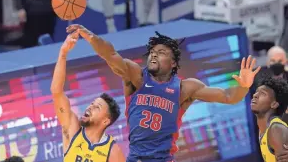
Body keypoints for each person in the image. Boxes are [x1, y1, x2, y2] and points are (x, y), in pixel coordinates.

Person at [66, 25, 260, 162]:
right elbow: (109, 54)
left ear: (174, 63)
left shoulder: (185, 88)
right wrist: (91, 36)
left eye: (162, 52)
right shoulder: (137, 77)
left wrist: (244, 85)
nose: (154, 55)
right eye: (152, 51)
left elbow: (228, 97)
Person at [50, 32, 125, 162]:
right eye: (92, 104)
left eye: (97, 107)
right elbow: (56, 91)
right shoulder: (72, 128)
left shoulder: (112, 151)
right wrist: (63, 53)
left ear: (106, 121)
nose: (90, 106)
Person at [251, 77, 288, 162]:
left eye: (263, 94)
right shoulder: (263, 129)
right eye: (256, 92)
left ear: (274, 104)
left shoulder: (276, 129)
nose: (255, 95)